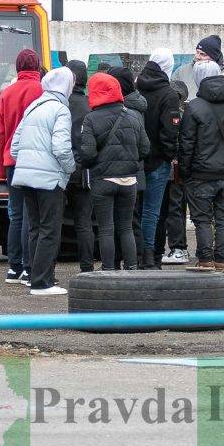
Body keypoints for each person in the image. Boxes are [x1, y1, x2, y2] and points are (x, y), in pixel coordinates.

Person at [11, 67, 77, 295]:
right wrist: (70, 169)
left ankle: (34, 276)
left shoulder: (34, 106)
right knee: (50, 229)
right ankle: (42, 282)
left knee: (35, 228)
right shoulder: (60, 110)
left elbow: (14, 147)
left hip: (25, 177)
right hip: (49, 179)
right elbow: (61, 147)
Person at [179, 61, 224, 272]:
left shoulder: (194, 107)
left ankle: (205, 261)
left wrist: (184, 171)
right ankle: (222, 262)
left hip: (200, 173)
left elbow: (187, 143)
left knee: (202, 220)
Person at [77, 73, 150, 270]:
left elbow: (88, 154)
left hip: (103, 180)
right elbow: (145, 149)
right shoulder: (134, 116)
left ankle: (108, 269)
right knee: (126, 227)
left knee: (106, 229)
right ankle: (132, 267)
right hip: (129, 180)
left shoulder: (91, 119)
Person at [0, 49, 43, 284]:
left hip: (11, 161)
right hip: (35, 160)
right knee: (32, 216)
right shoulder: (42, 91)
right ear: (37, 66)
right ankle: (28, 266)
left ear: (17, 67)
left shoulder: (7, 93)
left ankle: (13, 267)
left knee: (16, 215)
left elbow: (0, 133)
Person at [136, 48, 180, 269]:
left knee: (136, 210)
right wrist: (169, 155)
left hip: (136, 159)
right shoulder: (168, 94)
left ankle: (138, 255)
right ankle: (150, 256)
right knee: (153, 211)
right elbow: (169, 132)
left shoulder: (136, 87)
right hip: (158, 161)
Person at [109, 66, 148, 267]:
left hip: (123, 171)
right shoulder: (138, 107)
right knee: (132, 220)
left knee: (124, 221)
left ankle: (126, 261)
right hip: (135, 170)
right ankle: (136, 261)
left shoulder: (126, 109)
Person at [65, 60, 95, 272]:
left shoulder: (59, 103)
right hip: (83, 170)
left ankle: (44, 270)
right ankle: (87, 267)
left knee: (50, 222)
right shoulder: (90, 105)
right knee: (84, 222)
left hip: (59, 167)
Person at [158, 80, 192, 266]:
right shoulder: (186, 111)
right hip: (179, 168)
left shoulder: (173, 112)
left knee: (172, 208)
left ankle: (178, 248)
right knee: (175, 208)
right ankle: (177, 248)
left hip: (173, 168)